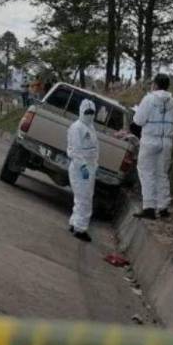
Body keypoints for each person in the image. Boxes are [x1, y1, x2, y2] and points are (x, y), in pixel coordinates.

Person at [133, 73, 173, 220]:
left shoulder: (148, 99)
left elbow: (138, 120)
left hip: (150, 140)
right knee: (162, 174)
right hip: (166, 142)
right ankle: (163, 208)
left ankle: (149, 207)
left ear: (155, 84)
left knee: (146, 172)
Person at [67, 99, 100, 242]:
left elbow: (94, 148)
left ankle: (74, 223)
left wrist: (94, 165)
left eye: (92, 112)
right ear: (81, 111)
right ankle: (80, 228)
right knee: (84, 199)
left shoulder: (90, 127)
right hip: (81, 168)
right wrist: (83, 167)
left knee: (81, 197)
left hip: (89, 167)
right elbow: (75, 151)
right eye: (87, 112)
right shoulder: (77, 128)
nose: (90, 115)